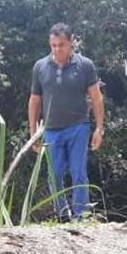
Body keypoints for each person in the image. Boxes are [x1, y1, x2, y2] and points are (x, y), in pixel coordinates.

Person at [29, 23, 105, 220]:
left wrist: (99, 128)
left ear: (71, 43)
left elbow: (96, 97)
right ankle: (62, 215)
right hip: (51, 130)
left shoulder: (85, 65)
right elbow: (35, 100)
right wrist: (32, 133)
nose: (57, 49)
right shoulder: (40, 67)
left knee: (78, 173)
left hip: (78, 126)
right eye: (53, 45)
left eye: (61, 45)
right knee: (54, 176)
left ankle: (81, 216)